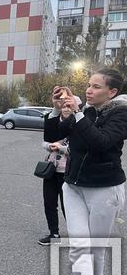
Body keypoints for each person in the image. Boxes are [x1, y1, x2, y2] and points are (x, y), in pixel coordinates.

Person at [45, 68, 127, 275]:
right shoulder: (87, 112)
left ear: (112, 92)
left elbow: (101, 142)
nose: (88, 90)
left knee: (96, 248)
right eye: (88, 85)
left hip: (104, 189)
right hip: (73, 187)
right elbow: (54, 135)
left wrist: (78, 112)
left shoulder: (121, 113)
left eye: (96, 86)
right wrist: (59, 111)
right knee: (79, 245)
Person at [38, 96, 81, 246]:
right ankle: (54, 233)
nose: (66, 109)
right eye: (63, 106)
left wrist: (61, 147)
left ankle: (75, 235)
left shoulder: (79, 124)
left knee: (68, 206)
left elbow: (79, 149)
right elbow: (44, 141)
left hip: (68, 172)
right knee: (49, 203)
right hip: (51, 169)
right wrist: (49, 146)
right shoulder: (54, 123)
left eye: (69, 106)